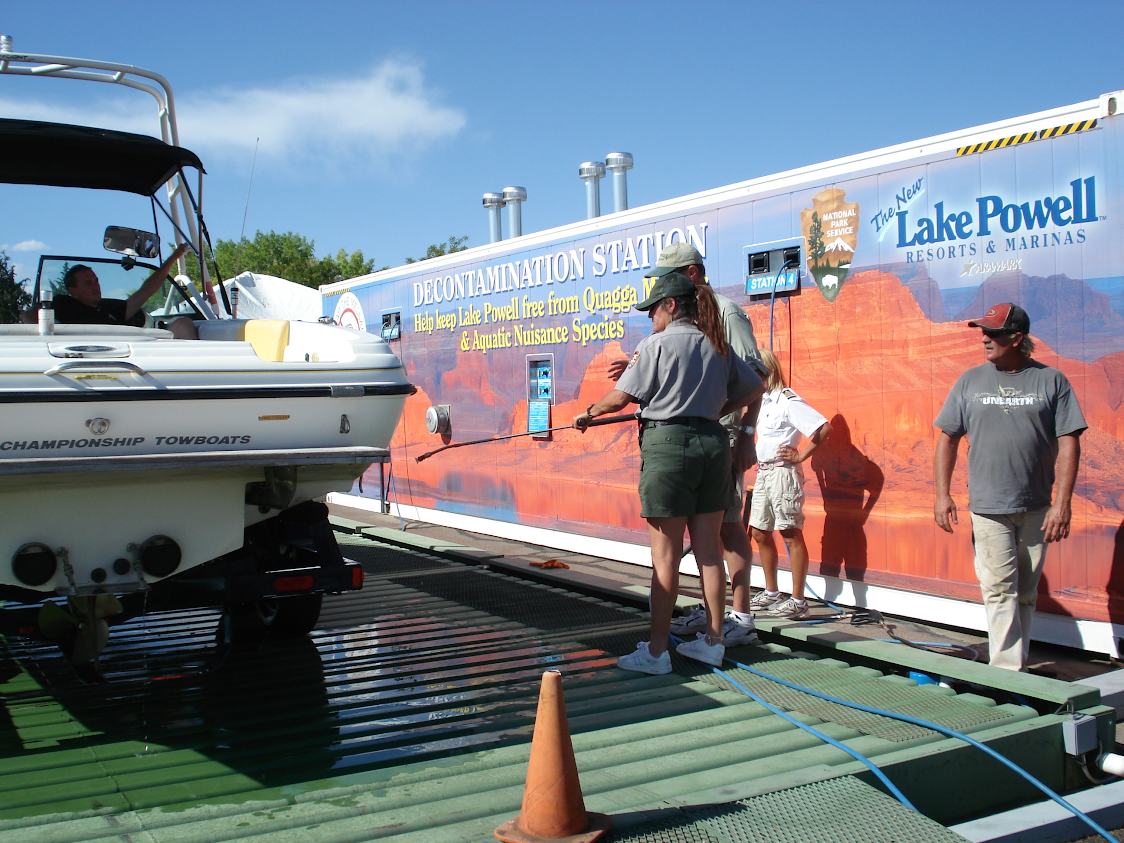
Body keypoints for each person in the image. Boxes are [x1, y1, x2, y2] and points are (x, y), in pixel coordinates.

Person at [576, 271, 764, 673]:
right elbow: (754, 388)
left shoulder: (656, 345)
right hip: (714, 445)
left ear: (671, 305)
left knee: (665, 559)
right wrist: (715, 411)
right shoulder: (719, 344)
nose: (650, 319)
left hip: (669, 447)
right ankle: (714, 642)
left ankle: (657, 653)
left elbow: (621, 397)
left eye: (652, 311)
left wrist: (588, 413)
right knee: (710, 553)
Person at [934, 303, 1086, 671]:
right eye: (983, 332)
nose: (985, 339)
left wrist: (1061, 505)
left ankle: (1015, 662)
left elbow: (1069, 443)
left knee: (1027, 593)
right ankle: (1007, 672)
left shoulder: (1052, 381)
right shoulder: (970, 381)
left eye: (994, 333)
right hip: (988, 506)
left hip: (1036, 506)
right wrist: (942, 494)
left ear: (1017, 338)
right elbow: (947, 438)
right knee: (1000, 587)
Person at [748, 348, 832, 620]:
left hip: (783, 473)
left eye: (755, 372)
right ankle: (772, 591)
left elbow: (824, 428)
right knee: (760, 531)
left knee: (789, 532)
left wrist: (801, 455)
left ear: (766, 371)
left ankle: (798, 600)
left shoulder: (787, 400)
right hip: (764, 472)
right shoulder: (760, 401)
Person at [49, 243, 197, 338]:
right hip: (87, 357)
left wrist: (175, 256)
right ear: (73, 290)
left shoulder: (112, 311)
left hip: (130, 355)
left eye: (96, 281)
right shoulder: (64, 305)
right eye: (88, 283)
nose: (95, 286)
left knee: (183, 323)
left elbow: (146, 290)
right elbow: (30, 314)